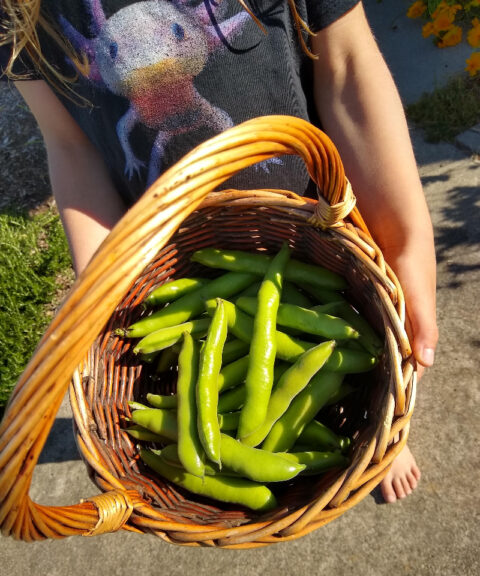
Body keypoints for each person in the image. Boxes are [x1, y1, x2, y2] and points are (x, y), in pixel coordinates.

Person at [0, 0, 438, 503]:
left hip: (317, 224)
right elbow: (71, 144)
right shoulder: (21, 12)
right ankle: (348, 434)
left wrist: (406, 240)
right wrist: (102, 291)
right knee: (275, 356)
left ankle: (379, 435)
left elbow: (346, 65)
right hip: (175, 259)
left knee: (369, 351)